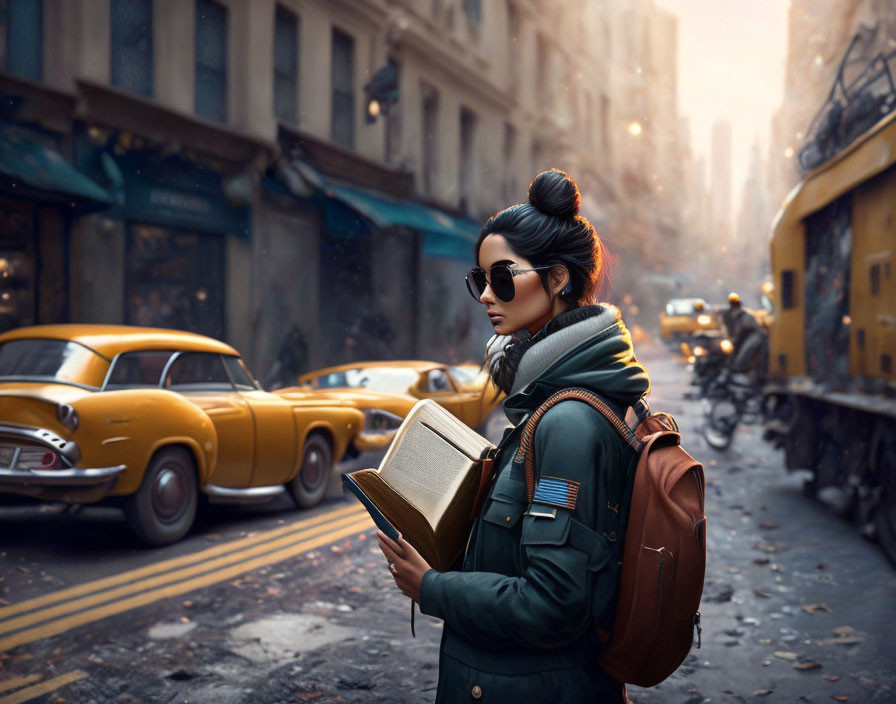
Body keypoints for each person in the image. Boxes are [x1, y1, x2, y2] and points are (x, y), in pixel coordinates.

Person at [377, 169, 651, 703]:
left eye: (502, 278)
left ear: (558, 279)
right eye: (477, 280)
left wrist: (430, 587)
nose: (485, 296)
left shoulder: (568, 421)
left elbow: (555, 605)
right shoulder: (547, 401)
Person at [722, 292, 767, 380]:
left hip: (747, 339)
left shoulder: (746, 317)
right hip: (736, 340)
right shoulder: (728, 315)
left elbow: (755, 330)